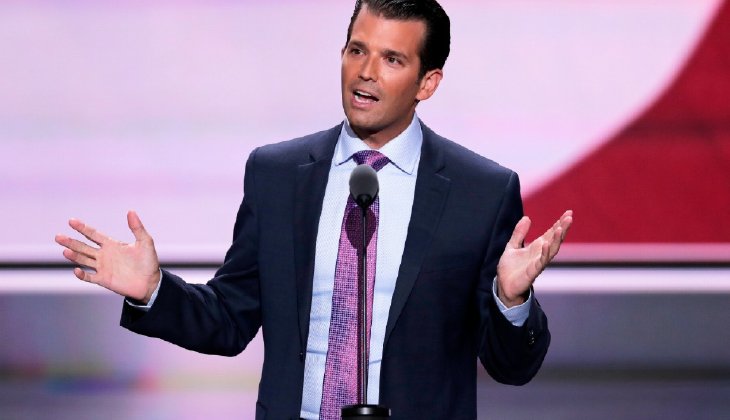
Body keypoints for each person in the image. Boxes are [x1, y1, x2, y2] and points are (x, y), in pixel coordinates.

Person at [55, 0, 573, 418]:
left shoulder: (480, 192)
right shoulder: (277, 174)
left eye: (392, 60)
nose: (365, 73)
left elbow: (511, 366)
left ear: (427, 83)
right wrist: (153, 290)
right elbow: (230, 319)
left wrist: (511, 300)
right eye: (356, 50)